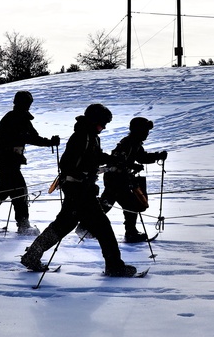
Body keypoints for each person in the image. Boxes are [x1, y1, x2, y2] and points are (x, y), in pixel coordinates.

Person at [20, 104, 139, 277]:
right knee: (103, 227)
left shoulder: (91, 136)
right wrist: (83, 177)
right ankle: (114, 266)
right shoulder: (81, 136)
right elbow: (66, 164)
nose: (104, 127)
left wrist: (113, 160)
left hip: (81, 189)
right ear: (93, 121)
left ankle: (32, 255)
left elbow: (95, 158)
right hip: (79, 190)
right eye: (102, 123)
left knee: (63, 225)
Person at [0, 90, 60, 234]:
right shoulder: (14, 118)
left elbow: (33, 137)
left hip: (9, 160)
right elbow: (30, 138)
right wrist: (49, 142)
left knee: (5, 190)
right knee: (19, 190)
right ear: (18, 102)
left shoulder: (20, 118)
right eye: (25, 102)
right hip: (7, 159)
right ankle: (23, 224)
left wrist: (50, 142)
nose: (27, 105)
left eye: (28, 103)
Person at [99, 117, 167, 243]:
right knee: (129, 205)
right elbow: (116, 160)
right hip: (116, 179)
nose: (147, 133)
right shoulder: (127, 143)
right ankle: (130, 233)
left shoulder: (134, 143)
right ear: (138, 130)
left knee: (109, 204)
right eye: (145, 130)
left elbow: (142, 157)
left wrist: (158, 156)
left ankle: (88, 226)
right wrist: (131, 165)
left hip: (118, 179)